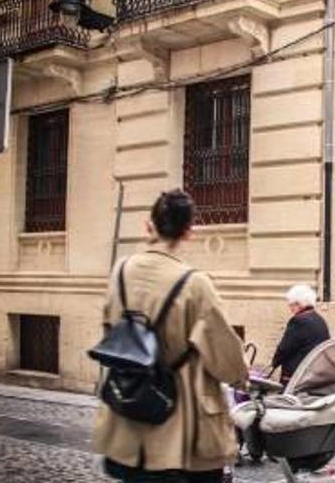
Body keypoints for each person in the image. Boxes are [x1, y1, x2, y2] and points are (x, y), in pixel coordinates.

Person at [94, 189, 249, 483]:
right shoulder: (195, 284)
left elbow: (109, 328)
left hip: (128, 422)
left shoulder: (120, 272)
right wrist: (242, 377)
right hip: (178, 435)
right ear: (189, 232)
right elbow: (225, 358)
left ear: (148, 225)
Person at [271, 284, 330, 385]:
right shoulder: (319, 319)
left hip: (297, 376)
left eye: (291, 305)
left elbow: (284, 348)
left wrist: (274, 363)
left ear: (299, 304)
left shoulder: (298, 321)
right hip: (315, 373)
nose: (291, 309)